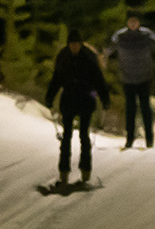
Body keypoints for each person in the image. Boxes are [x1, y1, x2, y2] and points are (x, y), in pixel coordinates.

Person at [44, 31, 110, 185]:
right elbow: (57, 79)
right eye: (72, 44)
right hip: (68, 99)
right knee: (66, 137)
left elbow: (98, 79)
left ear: (80, 44)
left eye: (76, 44)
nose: (74, 47)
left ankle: (86, 169)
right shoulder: (63, 57)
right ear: (69, 45)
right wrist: (50, 97)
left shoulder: (89, 57)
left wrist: (104, 98)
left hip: (86, 99)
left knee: (84, 136)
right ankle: (64, 170)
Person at [106, 13, 155, 149]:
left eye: (135, 21)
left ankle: (149, 138)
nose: (133, 23)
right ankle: (130, 138)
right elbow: (109, 50)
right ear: (127, 22)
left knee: (145, 108)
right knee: (130, 109)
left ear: (138, 22)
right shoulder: (120, 36)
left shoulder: (147, 35)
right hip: (127, 78)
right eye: (131, 21)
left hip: (144, 77)